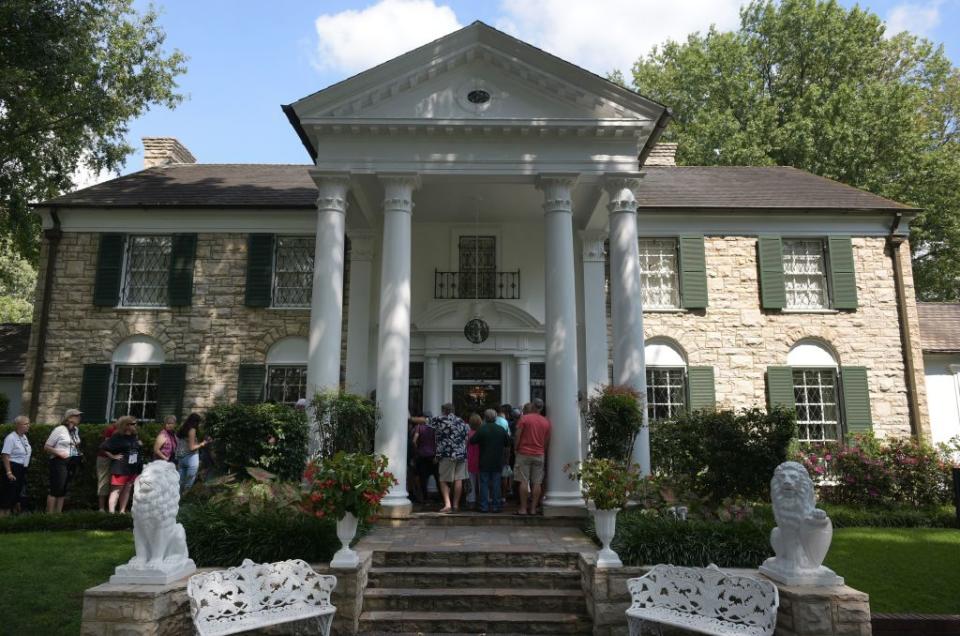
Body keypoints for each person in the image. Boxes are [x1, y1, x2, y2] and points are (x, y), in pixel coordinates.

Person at [514, 398, 551, 515]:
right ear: (541, 408)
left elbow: (517, 435)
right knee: (537, 482)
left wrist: (516, 448)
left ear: (533, 406)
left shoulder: (524, 419)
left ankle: (523, 508)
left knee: (523, 481)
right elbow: (547, 440)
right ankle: (534, 509)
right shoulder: (546, 422)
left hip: (524, 453)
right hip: (539, 454)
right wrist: (542, 450)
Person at [469, 409, 511, 513]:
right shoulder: (501, 429)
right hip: (497, 461)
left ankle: (484, 506)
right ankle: (496, 506)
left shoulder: (482, 429)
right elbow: (508, 443)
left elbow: (472, 441)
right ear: (495, 417)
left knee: (484, 484)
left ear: (485, 418)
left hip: (484, 461)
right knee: (496, 484)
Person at [100, 416, 143, 513]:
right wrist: (113, 456)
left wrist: (139, 445)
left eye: (136, 424)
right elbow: (104, 447)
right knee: (116, 491)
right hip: (121, 468)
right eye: (133, 424)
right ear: (126, 425)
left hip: (132, 468)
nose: (135, 426)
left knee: (127, 490)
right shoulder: (117, 436)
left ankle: (122, 511)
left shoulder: (134, 436)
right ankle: (111, 512)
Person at [44, 408, 83, 513]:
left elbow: (75, 444)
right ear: (69, 418)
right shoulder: (60, 429)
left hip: (71, 461)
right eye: (76, 416)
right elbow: (47, 447)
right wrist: (59, 453)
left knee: (64, 489)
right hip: (59, 461)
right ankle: (50, 515)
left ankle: (58, 514)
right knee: (56, 488)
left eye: (79, 416)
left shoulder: (76, 430)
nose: (79, 418)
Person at [433, 403, 469, 513]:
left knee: (443, 479)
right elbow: (466, 437)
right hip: (460, 454)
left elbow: (425, 421)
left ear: (443, 410)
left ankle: (447, 505)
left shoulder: (440, 419)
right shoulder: (461, 421)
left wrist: (409, 418)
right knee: (459, 479)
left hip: (446, 454)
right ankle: (456, 505)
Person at [1, 416, 32, 516]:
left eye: (28, 424)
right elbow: (5, 455)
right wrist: (9, 472)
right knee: (7, 495)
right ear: (18, 425)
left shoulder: (24, 437)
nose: (28, 426)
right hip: (13, 467)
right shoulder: (11, 438)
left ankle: (8, 521)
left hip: (22, 469)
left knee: (14, 496)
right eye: (26, 424)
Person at [175, 413, 209, 493]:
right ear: (196, 422)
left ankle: (176, 501)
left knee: (179, 483)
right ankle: (185, 501)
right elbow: (192, 447)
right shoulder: (192, 430)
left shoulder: (183, 428)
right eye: (199, 423)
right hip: (191, 458)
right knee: (189, 483)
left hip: (181, 457)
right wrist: (202, 443)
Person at [412, 410, 438, 504]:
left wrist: (417, 450)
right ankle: (442, 498)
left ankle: (425, 498)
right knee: (437, 476)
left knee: (423, 477)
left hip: (422, 455)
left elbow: (414, 441)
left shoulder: (419, 427)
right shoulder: (435, 428)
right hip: (433, 456)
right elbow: (438, 441)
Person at [96, 419, 118, 511]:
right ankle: (101, 508)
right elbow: (106, 446)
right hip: (104, 458)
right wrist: (112, 456)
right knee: (103, 481)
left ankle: (111, 508)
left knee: (114, 482)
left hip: (116, 459)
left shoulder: (125, 430)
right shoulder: (110, 429)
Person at [465, 413, 481, 508]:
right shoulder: (482, 432)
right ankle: (483, 499)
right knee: (482, 481)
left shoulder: (468, 433)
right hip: (480, 459)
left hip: (470, 459)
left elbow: (465, 446)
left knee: (470, 481)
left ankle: (471, 500)